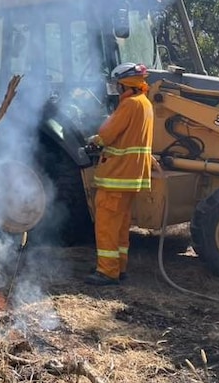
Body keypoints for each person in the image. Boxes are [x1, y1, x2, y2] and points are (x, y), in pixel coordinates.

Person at [85, 63, 156, 286]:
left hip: (116, 176)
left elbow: (107, 133)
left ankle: (107, 271)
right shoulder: (145, 104)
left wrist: (94, 141)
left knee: (106, 225)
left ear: (125, 84)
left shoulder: (129, 105)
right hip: (131, 178)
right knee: (121, 226)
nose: (116, 89)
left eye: (118, 85)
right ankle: (119, 267)